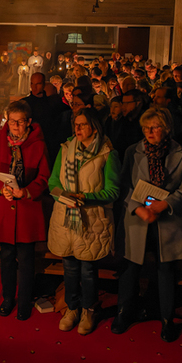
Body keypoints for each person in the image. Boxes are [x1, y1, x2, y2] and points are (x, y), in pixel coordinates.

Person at [111, 107, 182, 343]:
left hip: (167, 220)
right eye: (146, 127)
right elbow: (124, 185)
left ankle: (167, 319)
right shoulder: (132, 151)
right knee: (130, 268)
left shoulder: (181, 153)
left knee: (166, 269)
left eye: (155, 126)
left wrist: (165, 204)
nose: (149, 131)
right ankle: (123, 312)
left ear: (166, 128)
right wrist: (137, 207)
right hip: (138, 218)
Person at [48, 108, 121, 334]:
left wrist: (86, 197)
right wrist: (61, 195)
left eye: (82, 125)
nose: (77, 129)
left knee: (88, 269)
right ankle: (72, 307)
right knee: (69, 267)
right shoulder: (65, 149)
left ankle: (88, 309)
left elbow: (113, 191)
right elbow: (52, 183)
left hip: (92, 220)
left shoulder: (107, 154)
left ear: (94, 127)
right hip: (65, 217)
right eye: (75, 124)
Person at [0, 100, 50, 320]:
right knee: (6, 258)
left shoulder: (38, 145)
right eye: (12, 121)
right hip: (5, 209)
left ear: (28, 122)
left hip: (26, 211)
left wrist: (28, 191)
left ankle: (23, 301)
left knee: (26, 259)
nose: (15, 126)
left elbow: (44, 177)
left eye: (20, 122)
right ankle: (7, 298)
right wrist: (0, 188)